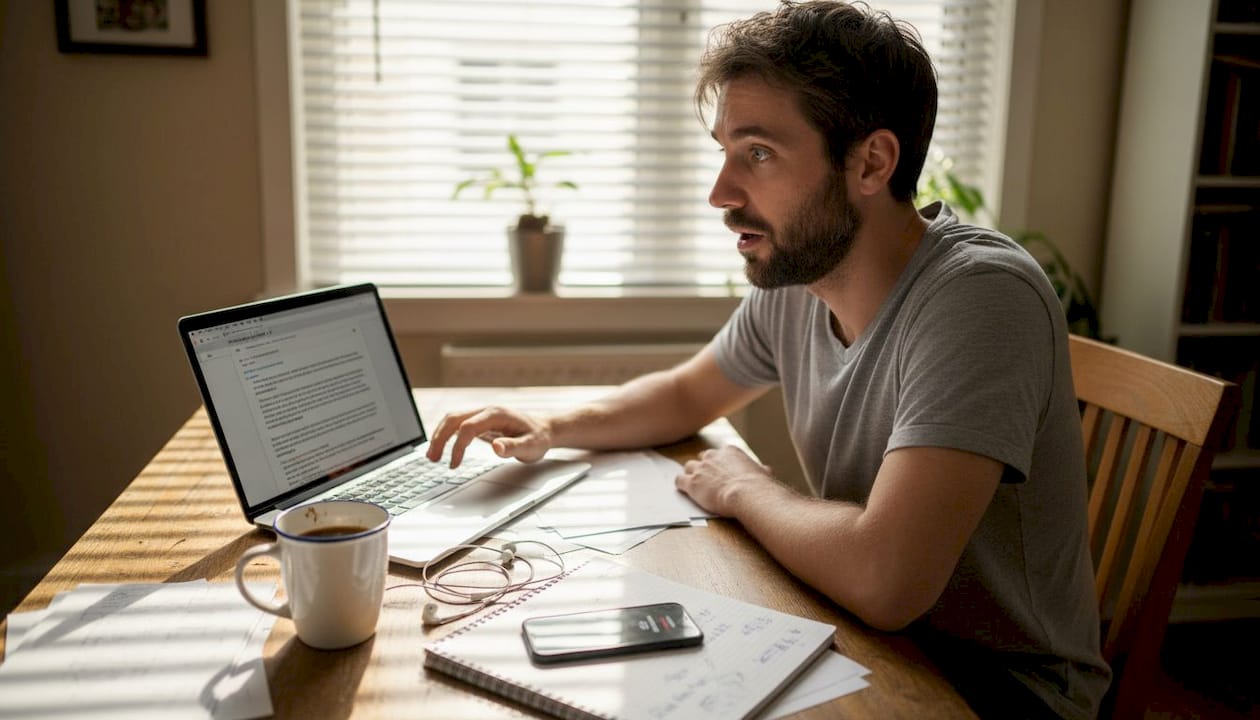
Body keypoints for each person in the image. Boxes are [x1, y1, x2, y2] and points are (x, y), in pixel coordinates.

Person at [427, 1, 1110, 716]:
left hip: (996, 692)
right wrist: (551, 425)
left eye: (757, 154)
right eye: (724, 152)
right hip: (871, 644)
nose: (721, 194)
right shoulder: (803, 275)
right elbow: (688, 396)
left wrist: (745, 487)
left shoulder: (979, 296)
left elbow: (886, 579)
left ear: (871, 162)